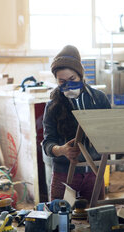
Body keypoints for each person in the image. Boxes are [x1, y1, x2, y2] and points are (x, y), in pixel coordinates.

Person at [42, 45, 111, 201]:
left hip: (94, 173)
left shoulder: (98, 99)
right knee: (61, 220)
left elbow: (110, 131)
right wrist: (61, 150)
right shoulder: (53, 106)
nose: (68, 85)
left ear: (80, 75)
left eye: (72, 79)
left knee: (96, 216)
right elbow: (47, 143)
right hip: (64, 174)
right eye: (62, 81)